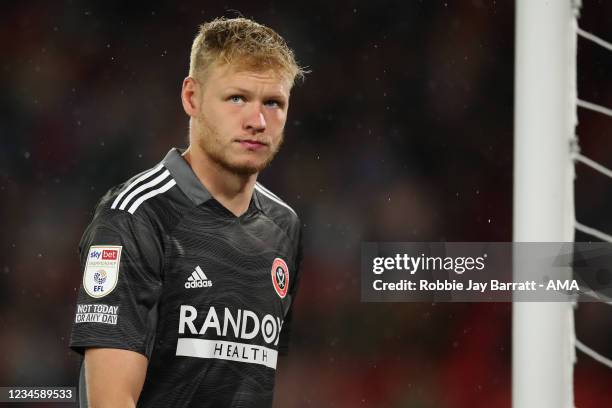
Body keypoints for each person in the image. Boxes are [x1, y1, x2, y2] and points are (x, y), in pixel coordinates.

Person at [70, 17, 306, 408]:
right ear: (192, 98)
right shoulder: (135, 217)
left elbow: (246, 383)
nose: (257, 120)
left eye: (273, 103)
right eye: (237, 98)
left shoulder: (285, 227)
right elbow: (111, 401)